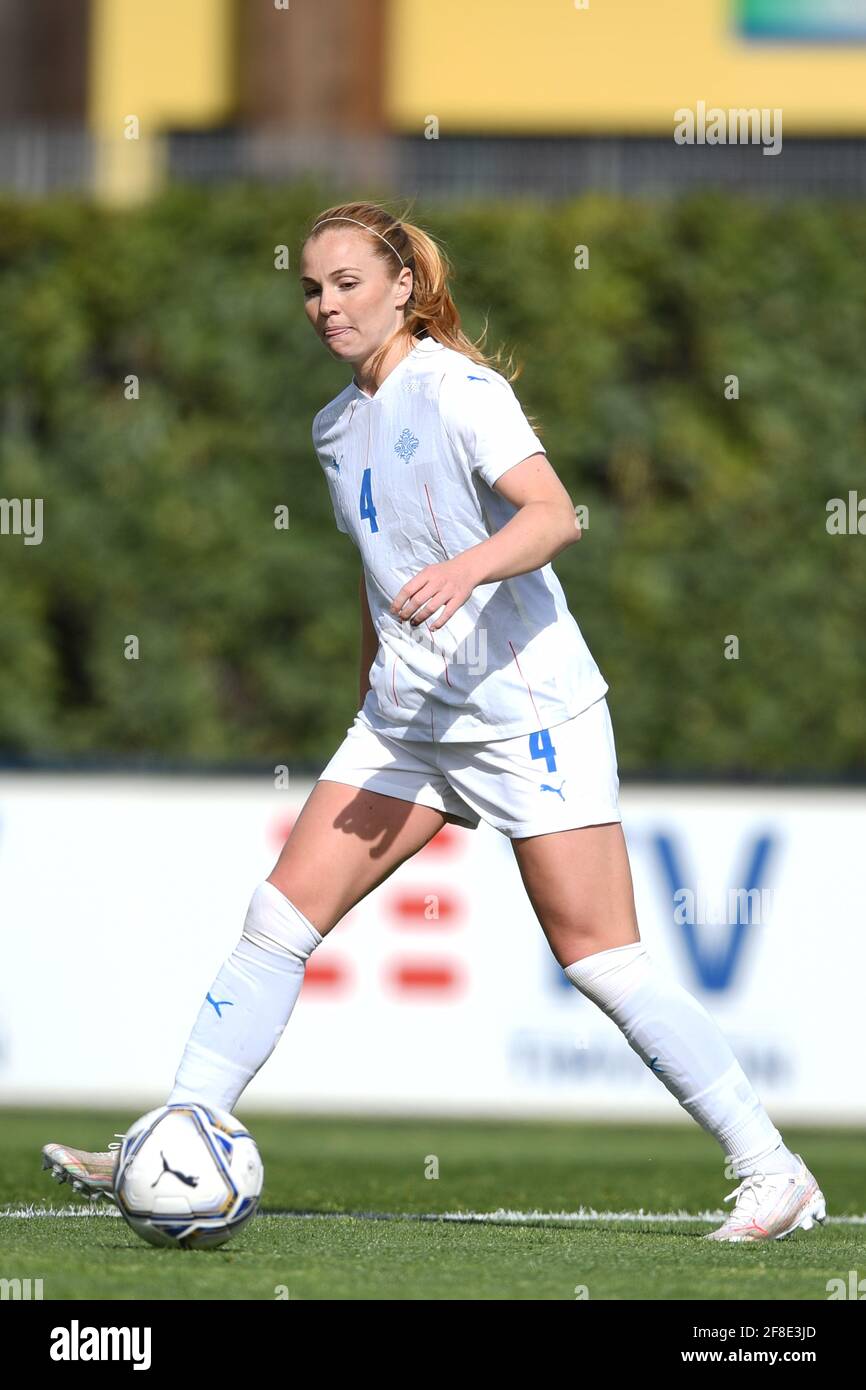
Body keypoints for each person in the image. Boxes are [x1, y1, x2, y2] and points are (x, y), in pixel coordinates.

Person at [43, 201, 825, 1243]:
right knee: (278, 917)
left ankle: (772, 1172)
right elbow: (374, 573)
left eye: (347, 283)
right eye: (312, 289)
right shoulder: (333, 424)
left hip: (523, 713)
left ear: (401, 285)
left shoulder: (460, 390)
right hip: (406, 723)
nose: (326, 305)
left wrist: (463, 571)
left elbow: (552, 514)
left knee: (598, 959)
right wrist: (372, 686)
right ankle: (180, 1129)